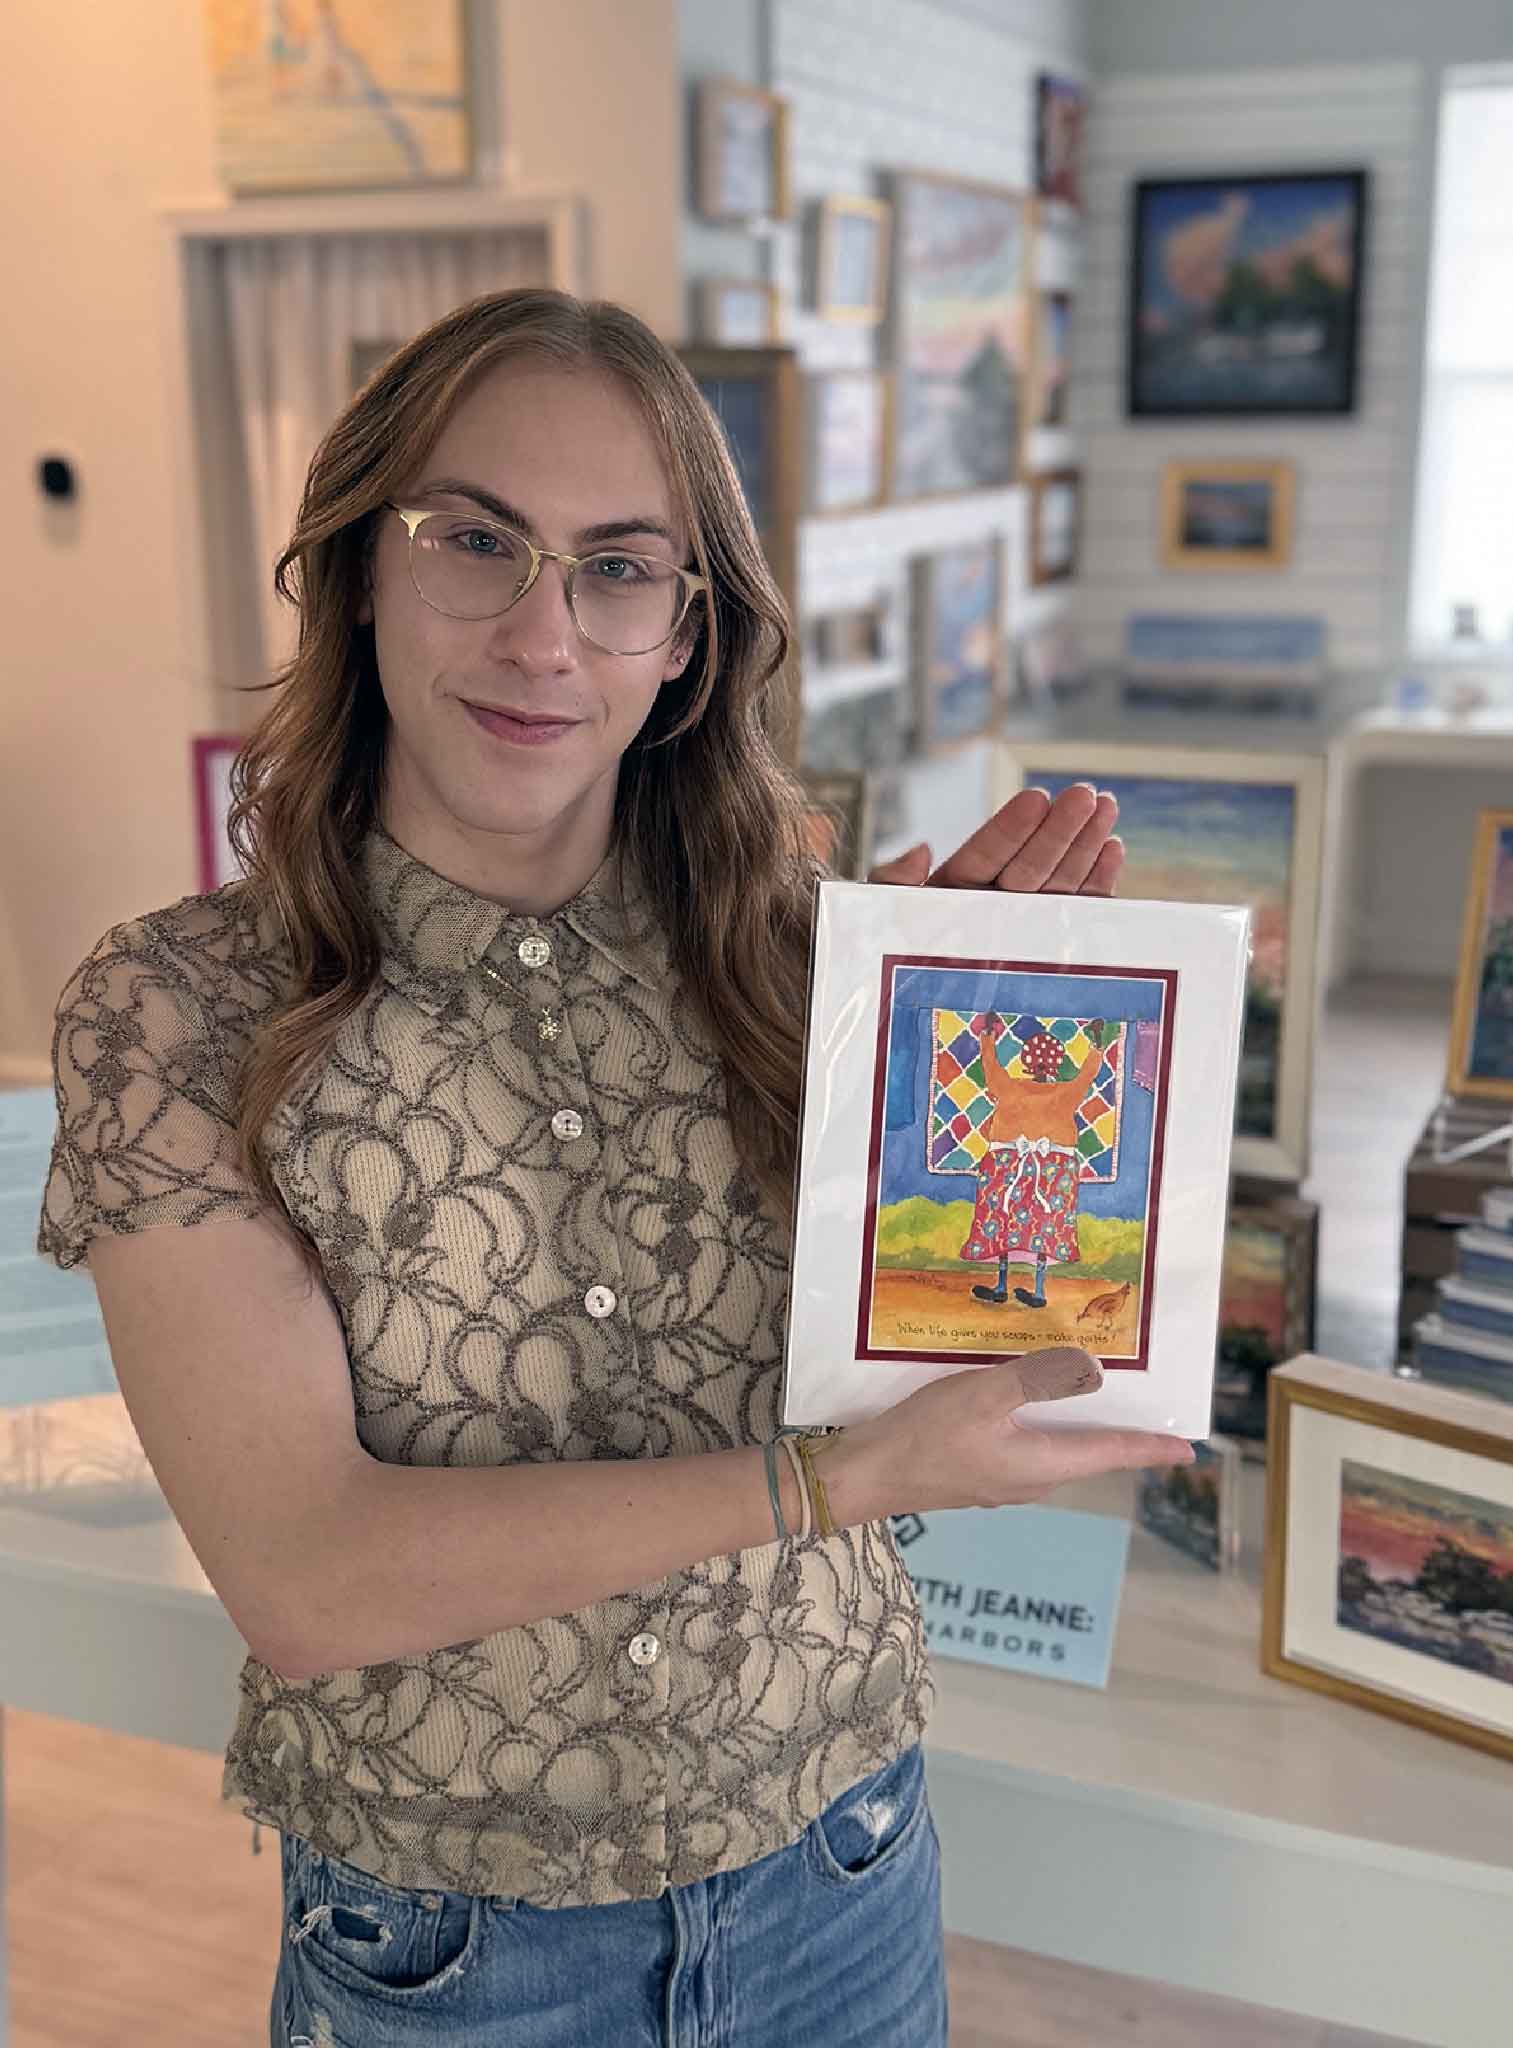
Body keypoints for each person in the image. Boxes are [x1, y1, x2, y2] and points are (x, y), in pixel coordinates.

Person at [34, 287, 1193, 2047]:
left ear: (687, 634)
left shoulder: (812, 958)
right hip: (453, 1953)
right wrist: (823, 1478)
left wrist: (978, 1046)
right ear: (357, 564)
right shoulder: (177, 1008)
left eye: (620, 567)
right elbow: (308, 1574)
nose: (541, 634)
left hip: (843, 1874)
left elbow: (971, 1350)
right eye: (475, 540)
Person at [962, 1014, 1106, 1309]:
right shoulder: (1065, 1092)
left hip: (1010, 1165)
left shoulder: (1010, 1087)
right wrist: (1096, 1042)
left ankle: (1004, 1285)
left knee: (1004, 1221)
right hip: (1049, 1168)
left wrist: (988, 1034)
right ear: (1056, 1064)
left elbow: (990, 1067)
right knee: (1043, 1224)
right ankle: (1034, 1290)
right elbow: (1087, 1075)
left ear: (1027, 1063)